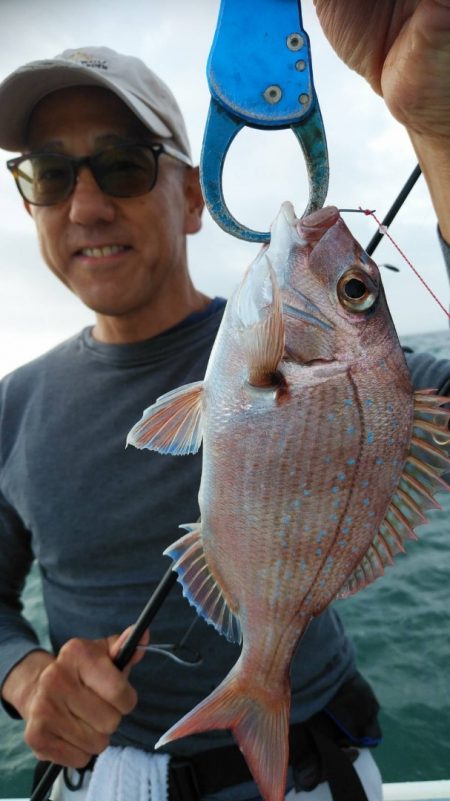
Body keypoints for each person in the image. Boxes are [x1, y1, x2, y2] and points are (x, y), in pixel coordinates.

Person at [0, 2, 448, 800]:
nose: (88, 203)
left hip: (317, 770)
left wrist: (443, 137)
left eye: (126, 164)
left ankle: (261, 681)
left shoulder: (368, 375)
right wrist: (26, 675)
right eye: (48, 172)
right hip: (109, 781)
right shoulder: (12, 405)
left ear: (196, 196)